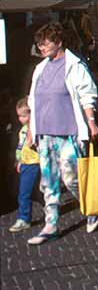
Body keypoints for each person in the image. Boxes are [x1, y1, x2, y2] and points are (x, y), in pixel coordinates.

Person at [27, 22, 98, 245]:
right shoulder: (40, 68)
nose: (41, 47)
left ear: (58, 42)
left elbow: (87, 94)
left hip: (68, 132)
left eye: (45, 42)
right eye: (39, 44)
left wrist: (91, 122)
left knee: (71, 177)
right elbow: (33, 100)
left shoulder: (74, 65)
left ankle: (90, 208)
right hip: (45, 133)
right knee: (48, 181)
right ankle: (51, 224)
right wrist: (31, 131)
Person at [9, 98, 40, 233]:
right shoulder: (22, 130)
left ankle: (25, 218)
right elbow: (20, 147)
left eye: (23, 116)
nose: (21, 119)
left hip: (35, 163)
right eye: (19, 116)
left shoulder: (36, 129)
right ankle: (25, 218)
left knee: (28, 192)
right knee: (28, 192)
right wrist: (18, 160)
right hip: (26, 163)